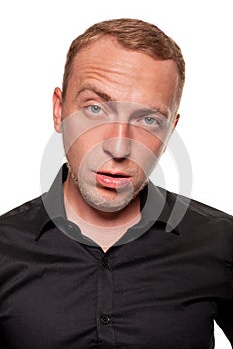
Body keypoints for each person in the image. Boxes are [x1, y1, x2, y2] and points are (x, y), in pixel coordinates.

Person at [0, 18, 232, 349]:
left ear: (171, 130)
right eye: (95, 109)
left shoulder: (221, 242)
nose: (119, 147)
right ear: (58, 110)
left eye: (149, 120)